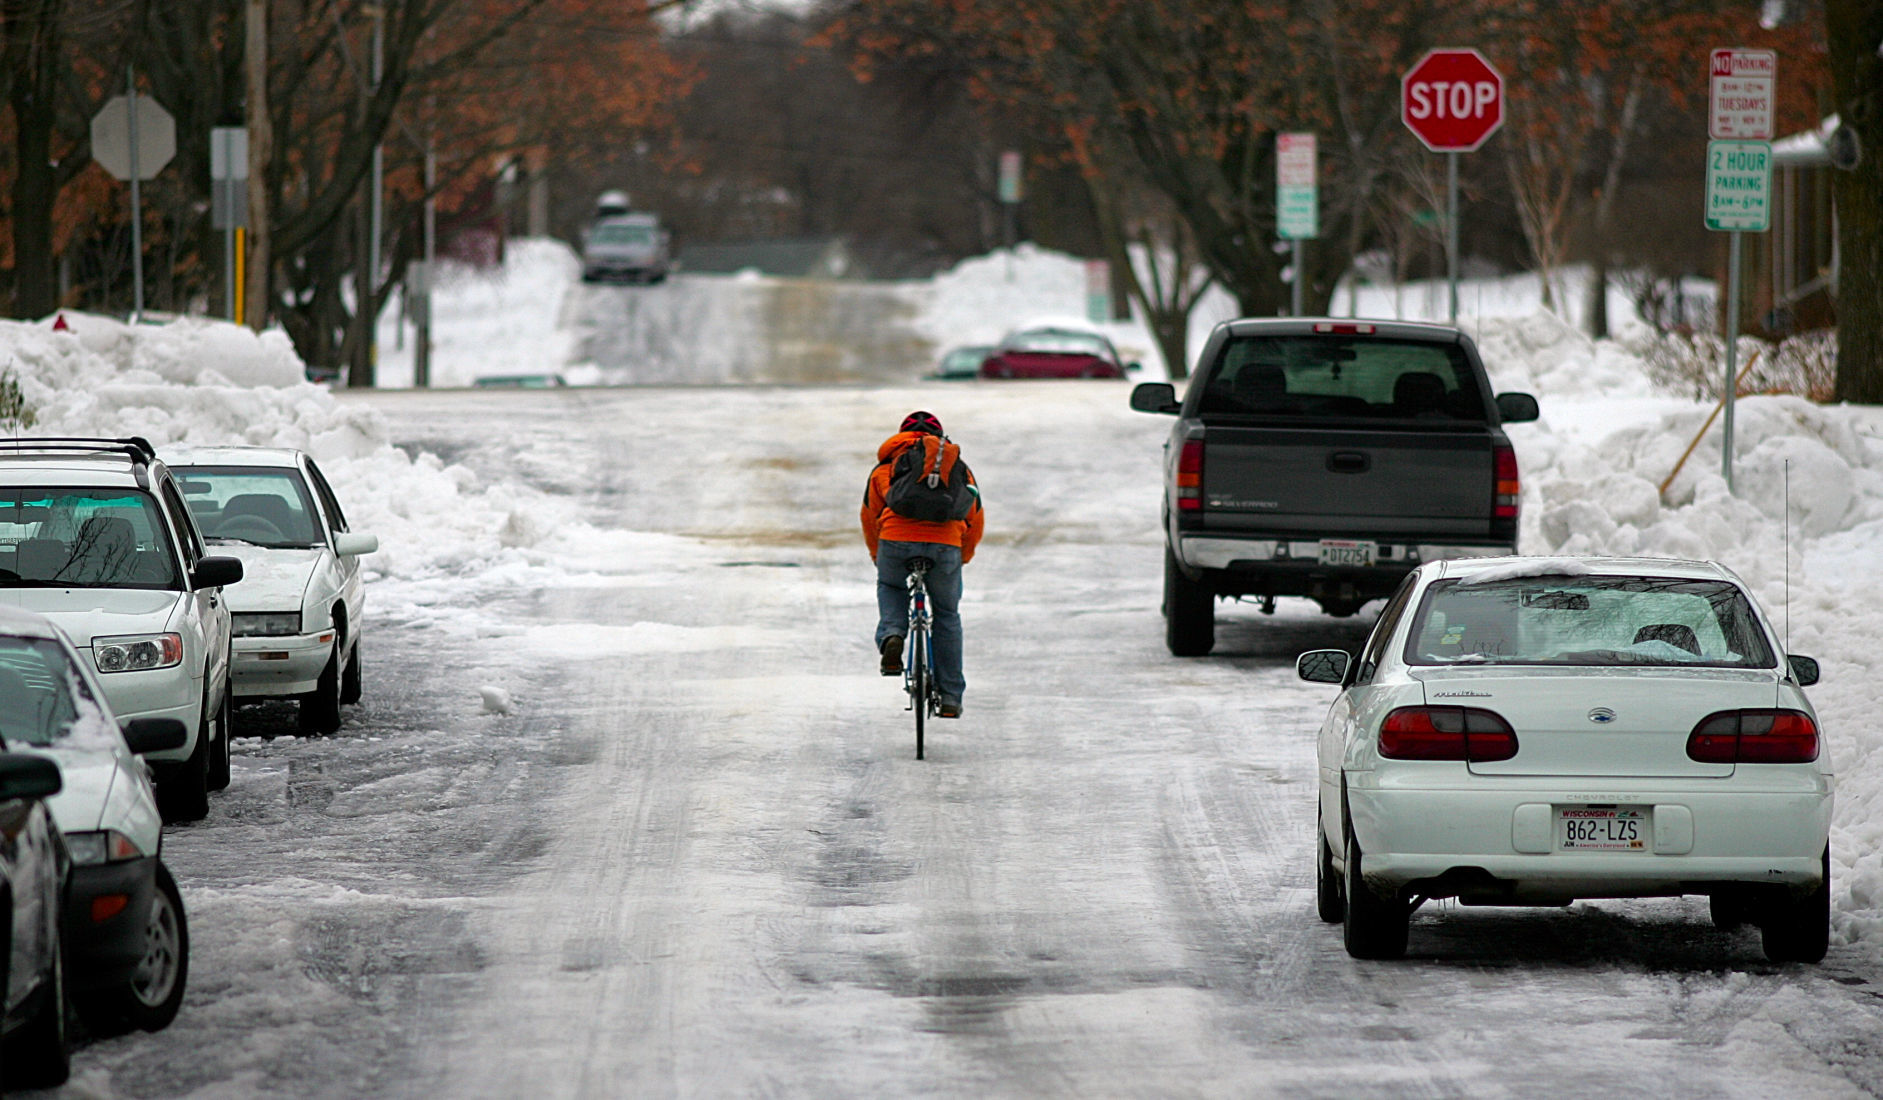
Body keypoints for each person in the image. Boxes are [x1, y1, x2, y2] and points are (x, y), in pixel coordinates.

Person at [861, 410, 983, 718]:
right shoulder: (958, 469)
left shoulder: (885, 468)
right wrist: (962, 556)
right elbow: (975, 516)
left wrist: (879, 556)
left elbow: (869, 516)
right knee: (946, 614)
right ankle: (951, 696)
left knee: (891, 585)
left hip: (896, 540)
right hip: (945, 545)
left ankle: (893, 635)